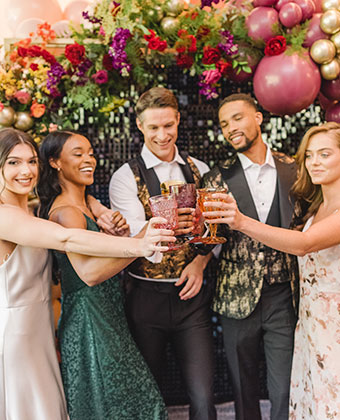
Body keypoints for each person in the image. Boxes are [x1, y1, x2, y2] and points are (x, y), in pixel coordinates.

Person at [0, 127, 173, 420]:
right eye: (13, 162)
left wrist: (94, 204)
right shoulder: (5, 216)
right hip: (14, 337)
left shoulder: (31, 210)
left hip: (40, 333)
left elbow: (68, 208)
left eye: (31, 161)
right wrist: (138, 245)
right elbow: (67, 238)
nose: (26, 170)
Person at [203, 121, 340, 420]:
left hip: (335, 325)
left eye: (325, 154)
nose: (314, 162)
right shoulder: (316, 206)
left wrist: (240, 221)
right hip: (311, 320)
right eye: (310, 155)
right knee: (313, 397)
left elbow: (303, 244)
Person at [109, 86, 217, 420]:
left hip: (192, 300)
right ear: (140, 126)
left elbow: (215, 229)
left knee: (203, 393)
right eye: (153, 127)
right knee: (148, 391)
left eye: (168, 125)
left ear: (178, 121)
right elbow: (136, 239)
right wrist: (165, 223)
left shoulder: (199, 168)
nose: (162, 134)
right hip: (146, 298)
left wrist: (200, 262)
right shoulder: (125, 177)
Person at [195, 93, 299, 420]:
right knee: (243, 387)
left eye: (237, 118)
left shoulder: (294, 169)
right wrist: (195, 236)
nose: (230, 128)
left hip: (284, 294)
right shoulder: (215, 178)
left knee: (284, 386)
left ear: (258, 118)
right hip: (235, 297)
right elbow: (209, 240)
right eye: (224, 124)